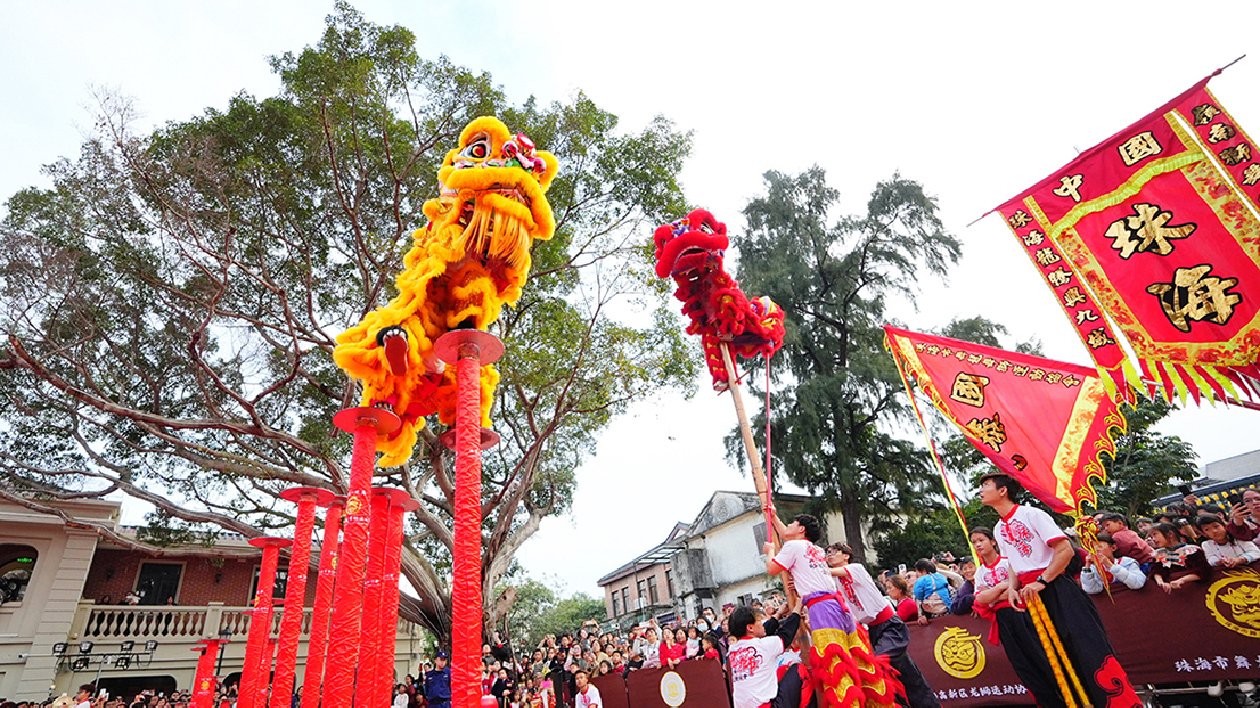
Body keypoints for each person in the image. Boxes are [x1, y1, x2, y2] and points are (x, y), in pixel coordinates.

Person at [979, 472, 1140, 708]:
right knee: (1055, 660)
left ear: (1003, 490)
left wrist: (1042, 580)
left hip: (1058, 590)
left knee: (1087, 651)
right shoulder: (998, 529)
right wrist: (1013, 587)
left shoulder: (1031, 514)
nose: (981, 491)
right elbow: (1014, 562)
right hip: (1031, 596)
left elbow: (1065, 550)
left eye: (986, 486)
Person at [766, 512, 900, 707]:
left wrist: (770, 550)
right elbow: (786, 534)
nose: (787, 526)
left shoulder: (793, 546)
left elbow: (772, 568)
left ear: (801, 529)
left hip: (821, 608)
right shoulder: (817, 550)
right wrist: (774, 517)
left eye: (792, 523)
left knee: (834, 663)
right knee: (858, 660)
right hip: (838, 606)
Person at [826, 542, 938, 708]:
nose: (829, 555)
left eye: (834, 551)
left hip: (889, 625)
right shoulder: (832, 580)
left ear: (846, 555)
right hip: (872, 629)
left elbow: (825, 572)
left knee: (879, 666)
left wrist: (810, 564)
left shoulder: (855, 568)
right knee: (907, 674)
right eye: (827, 553)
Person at [727, 599, 802, 708]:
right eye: (759, 621)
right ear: (750, 627)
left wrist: (778, 614)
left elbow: (766, 630)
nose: (763, 624)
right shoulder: (764, 645)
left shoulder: (733, 649)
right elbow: (786, 634)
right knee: (799, 669)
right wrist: (797, 610)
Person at [1148, 522, 1211, 592]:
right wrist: (1161, 582)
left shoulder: (1191, 551)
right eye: (1151, 536)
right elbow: (1156, 570)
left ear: (1170, 534)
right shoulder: (1159, 553)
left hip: (1193, 590)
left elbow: (1203, 571)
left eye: (1155, 534)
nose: (1153, 539)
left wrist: (1181, 581)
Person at [1078, 532, 1146, 594]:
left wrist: (1110, 565)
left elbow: (1138, 583)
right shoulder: (1093, 568)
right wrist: (1087, 568)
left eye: (1100, 546)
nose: (1096, 550)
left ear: (1113, 548)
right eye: (1092, 548)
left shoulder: (1127, 562)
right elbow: (1091, 590)